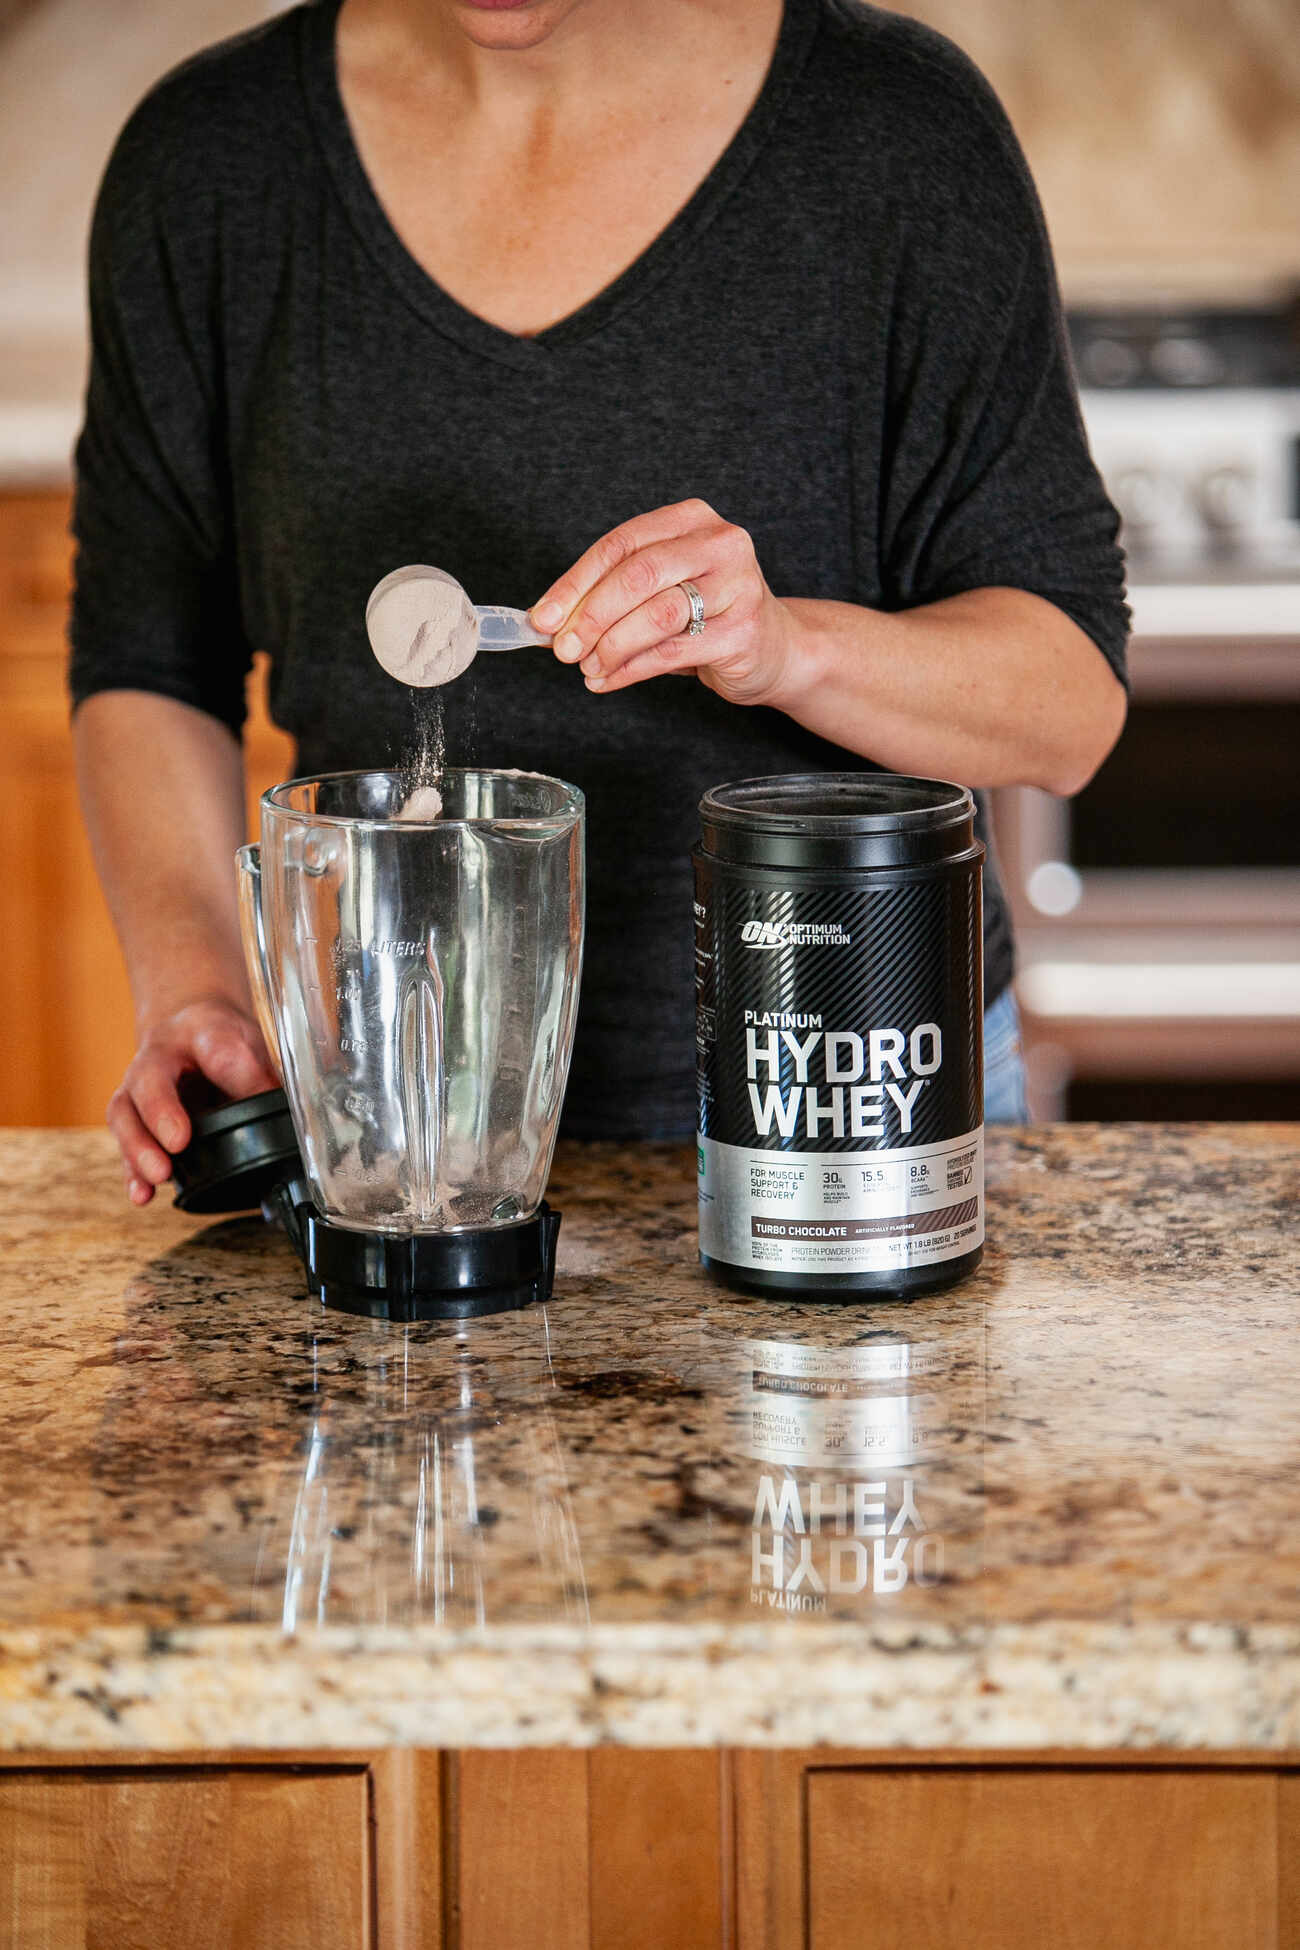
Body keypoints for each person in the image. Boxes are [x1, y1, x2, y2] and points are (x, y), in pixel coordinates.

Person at [69, 0, 1129, 1206]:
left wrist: (784, 649)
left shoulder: (896, 130)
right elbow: (148, 662)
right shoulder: (213, 158)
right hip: (401, 1137)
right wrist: (197, 991)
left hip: (858, 1104)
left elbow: (1070, 712)